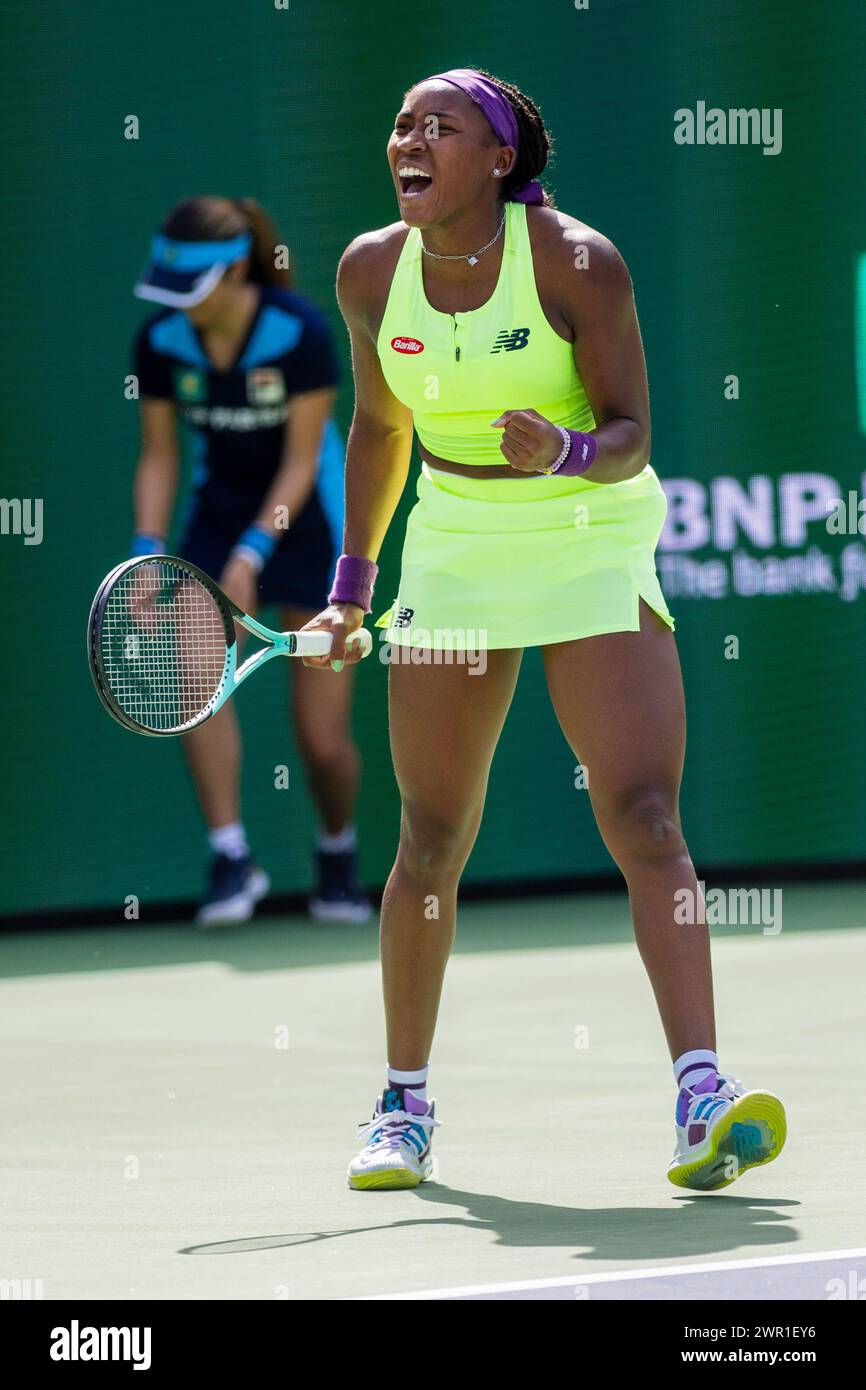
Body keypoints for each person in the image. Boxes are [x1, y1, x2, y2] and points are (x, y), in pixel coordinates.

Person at [300, 69, 786, 1191]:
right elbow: (378, 428)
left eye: (441, 126)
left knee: (643, 814)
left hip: (584, 528)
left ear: (500, 159)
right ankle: (402, 1105)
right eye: (401, 122)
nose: (408, 138)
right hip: (458, 537)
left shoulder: (577, 260)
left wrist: (561, 452)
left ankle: (699, 1094)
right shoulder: (372, 270)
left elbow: (628, 431)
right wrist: (350, 587)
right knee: (428, 835)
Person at [130, 196, 370, 927]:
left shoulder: (298, 333)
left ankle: (336, 851)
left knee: (323, 740)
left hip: (308, 527)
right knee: (199, 686)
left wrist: (254, 550)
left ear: (234, 270)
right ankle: (231, 856)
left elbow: (303, 461)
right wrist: (148, 550)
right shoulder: (161, 342)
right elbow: (160, 456)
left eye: (191, 287)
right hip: (216, 520)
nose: (178, 304)